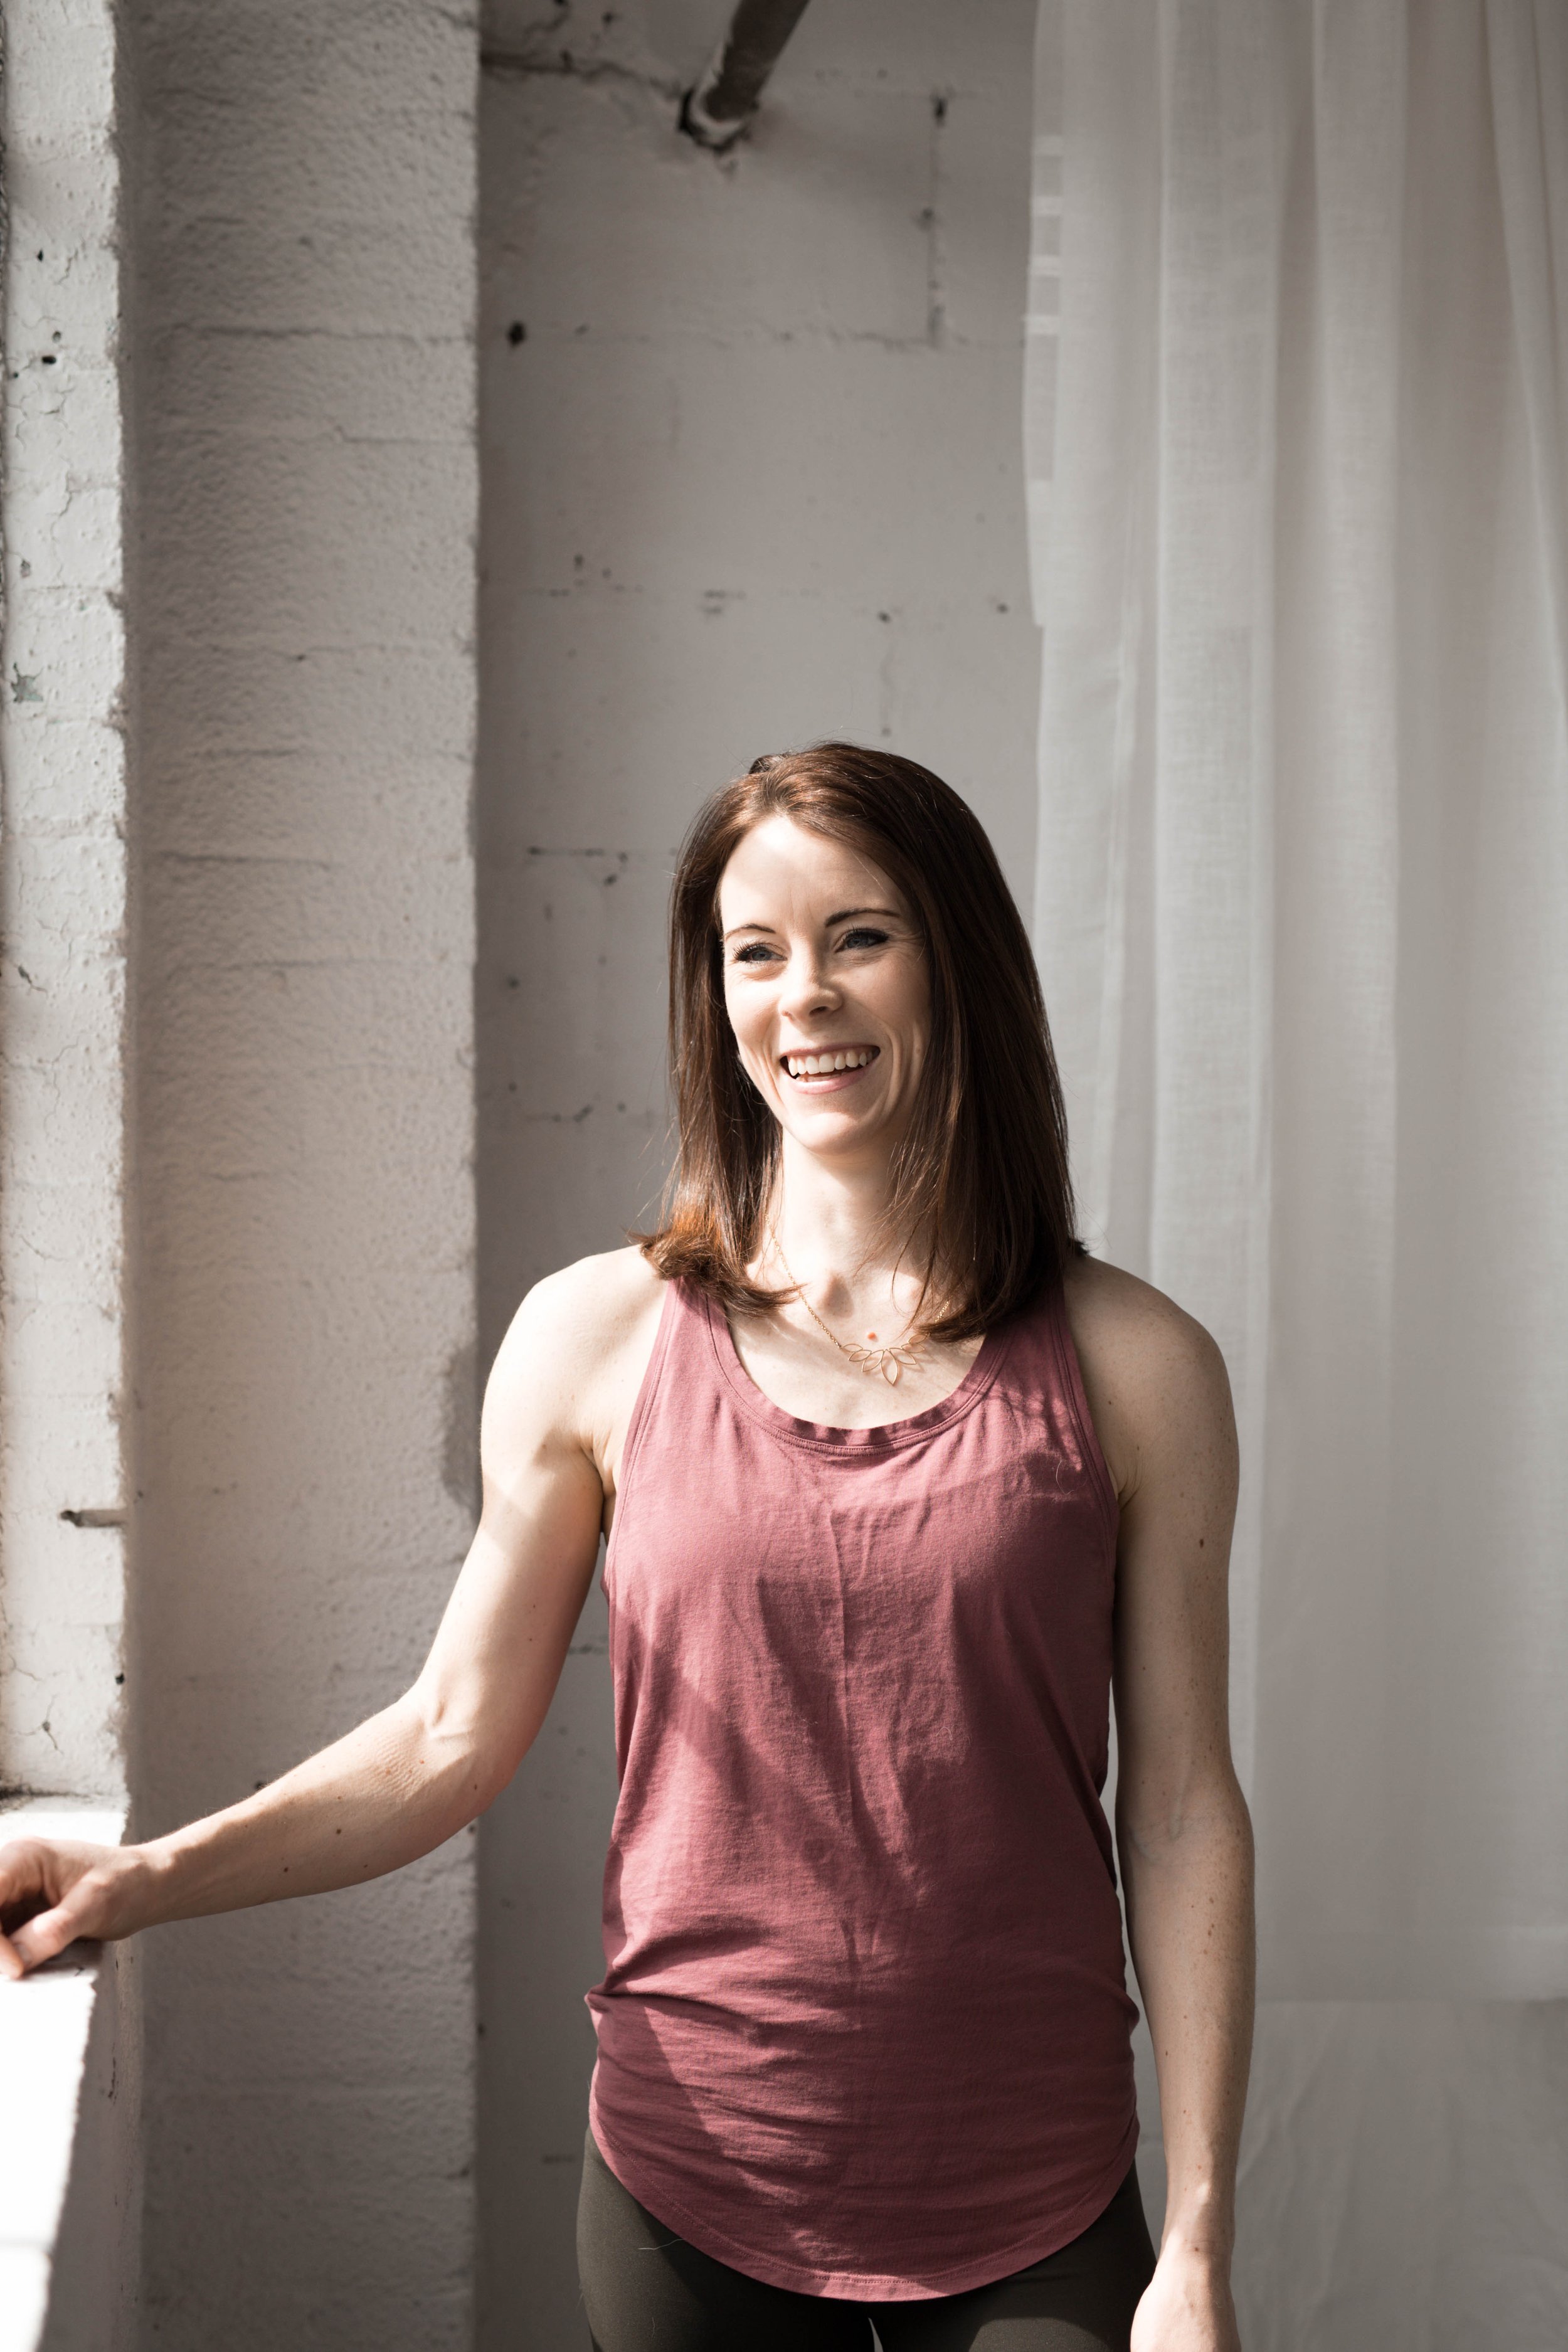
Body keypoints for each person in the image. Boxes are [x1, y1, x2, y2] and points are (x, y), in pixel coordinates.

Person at [1, 744, 1254, 2352]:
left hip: (1036, 2194)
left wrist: (1201, 2242)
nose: (804, 996)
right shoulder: (596, 1339)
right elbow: (448, 1739)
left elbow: (1179, 1811)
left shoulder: (1136, 1366)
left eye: (859, 935)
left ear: (959, 961)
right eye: (756, 951)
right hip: (695, 2192)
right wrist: (140, 1878)